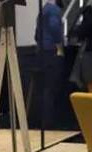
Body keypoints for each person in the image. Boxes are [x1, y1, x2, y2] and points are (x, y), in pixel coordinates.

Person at [35, 0, 64, 129]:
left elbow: (36, 35)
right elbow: (55, 27)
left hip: (41, 51)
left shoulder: (43, 10)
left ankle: (42, 120)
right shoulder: (54, 10)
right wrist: (59, 46)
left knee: (44, 87)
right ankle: (49, 122)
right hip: (52, 51)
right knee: (51, 87)